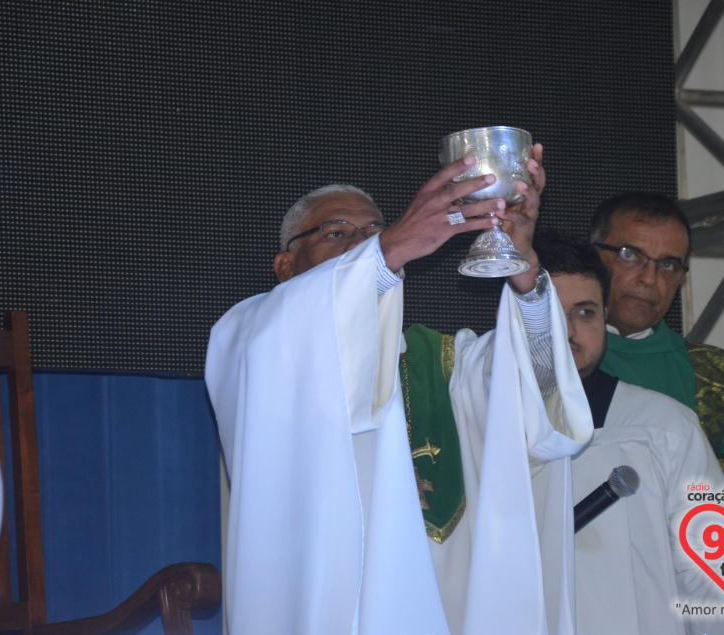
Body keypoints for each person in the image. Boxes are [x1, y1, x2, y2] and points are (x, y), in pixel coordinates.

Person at [206, 150, 594, 634]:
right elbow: (293, 349)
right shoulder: (248, 335)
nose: (360, 244)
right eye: (336, 232)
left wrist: (524, 273)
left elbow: (536, 412)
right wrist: (387, 251)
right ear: (286, 266)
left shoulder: (443, 362)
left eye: (372, 232)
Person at [532, 229, 724, 635]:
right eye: (548, 313)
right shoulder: (470, 422)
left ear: (604, 317)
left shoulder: (663, 425)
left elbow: (713, 554)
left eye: (585, 312)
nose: (569, 330)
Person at [589, 193, 724, 496]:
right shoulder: (546, 356)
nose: (649, 278)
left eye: (668, 265)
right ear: (593, 256)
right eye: (630, 255)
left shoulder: (715, 376)